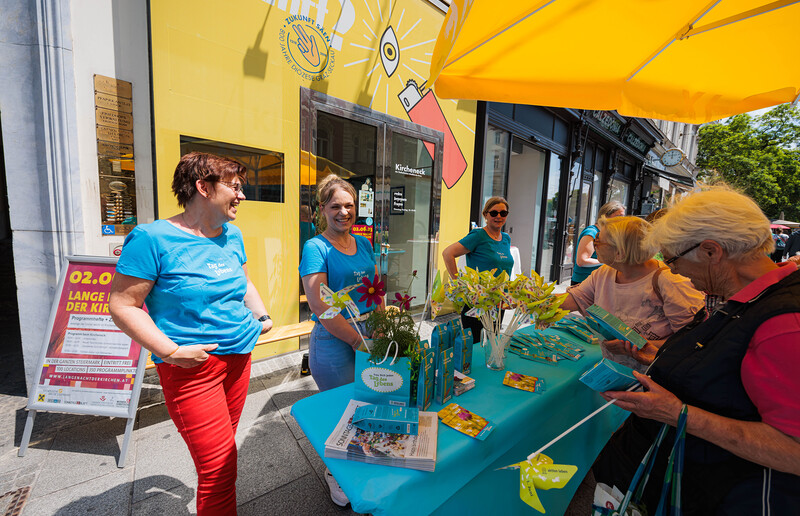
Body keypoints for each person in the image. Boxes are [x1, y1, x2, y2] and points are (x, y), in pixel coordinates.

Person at [593, 186, 800, 514]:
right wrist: (657, 355)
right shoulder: (743, 299)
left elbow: (793, 449)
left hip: (720, 494)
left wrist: (678, 414)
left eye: (672, 259)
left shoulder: (785, 322)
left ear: (711, 251)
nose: (672, 270)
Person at [109, 152, 273, 515]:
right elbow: (122, 306)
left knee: (222, 454)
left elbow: (243, 282)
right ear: (203, 187)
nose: (241, 195)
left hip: (239, 359)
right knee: (219, 468)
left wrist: (261, 315)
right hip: (192, 369)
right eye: (234, 187)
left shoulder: (232, 235)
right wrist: (171, 352)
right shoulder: (152, 238)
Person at [299, 174, 381, 507]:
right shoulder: (316, 247)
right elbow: (321, 305)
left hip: (369, 334)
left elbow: (376, 289)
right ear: (322, 209)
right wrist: (357, 341)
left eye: (349, 205)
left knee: (367, 403)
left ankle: (360, 462)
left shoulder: (364, 243)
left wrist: (381, 324)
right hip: (335, 341)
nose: (344, 212)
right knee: (342, 413)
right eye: (335, 206)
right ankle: (335, 473)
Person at [561, 216, 705, 370]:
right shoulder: (605, 272)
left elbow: (693, 341)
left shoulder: (672, 283)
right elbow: (574, 299)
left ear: (620, 253)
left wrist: (637, 345)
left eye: (598, 241)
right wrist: (542, 300)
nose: (594, 245)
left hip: (653, 375)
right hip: (617, 371)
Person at [442, 196, 514, 341]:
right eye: (494, 213)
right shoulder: (478, 235)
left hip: (498, 303)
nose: (498, 216)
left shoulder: (506, 238)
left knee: (492, 345)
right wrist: (459, 283)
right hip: (477, 303)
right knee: (475, 347)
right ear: (485, 214)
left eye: (503, 213)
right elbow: (448, 253)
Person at [571, 201, 626, 285]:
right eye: (619, 217)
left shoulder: (607, 233)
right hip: (584, 282)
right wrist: (610, 261)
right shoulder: (591, 232)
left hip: (600, 281)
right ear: (605, 216)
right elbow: (582, 261)